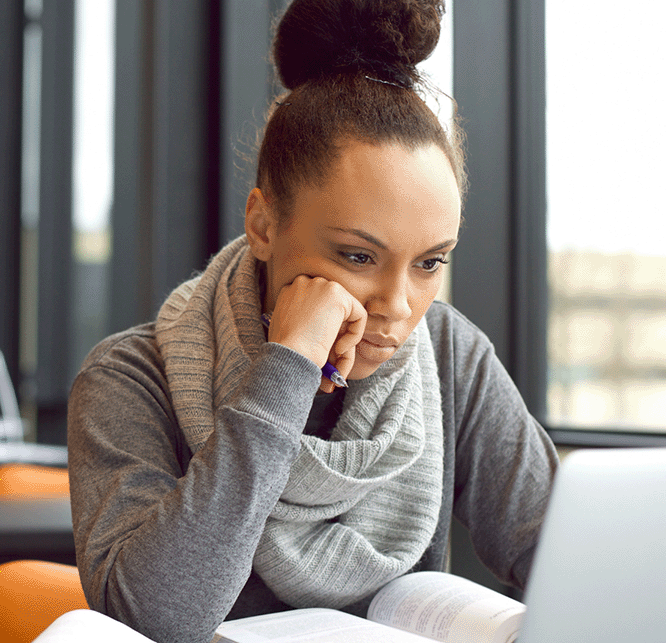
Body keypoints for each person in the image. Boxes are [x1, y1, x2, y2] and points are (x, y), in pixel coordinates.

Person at [66, 1, 558, 642]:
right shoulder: (130, 378)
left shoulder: (448, 353)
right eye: (358, 256)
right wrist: (287, 367)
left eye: (430, 263)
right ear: (264, 224)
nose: (399, 305)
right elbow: (156, 617)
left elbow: (561, 558)